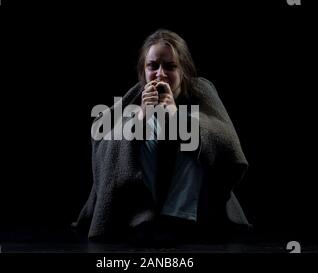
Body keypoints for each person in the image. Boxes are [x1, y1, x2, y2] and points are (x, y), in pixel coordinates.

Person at [73, 29, 251, 245]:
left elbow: (223, 137)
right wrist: (139, 118)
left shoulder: (201, 89)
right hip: (146, 204)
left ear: (183, 70)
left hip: (194, 201)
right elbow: (103, 139)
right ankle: (143, 218)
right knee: (143, 130)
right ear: (143, 70)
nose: (160, 73)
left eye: (170, 66)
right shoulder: (136, 96)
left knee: (190, 134)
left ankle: (177, 218)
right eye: (153, 66)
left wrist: (176, 116)